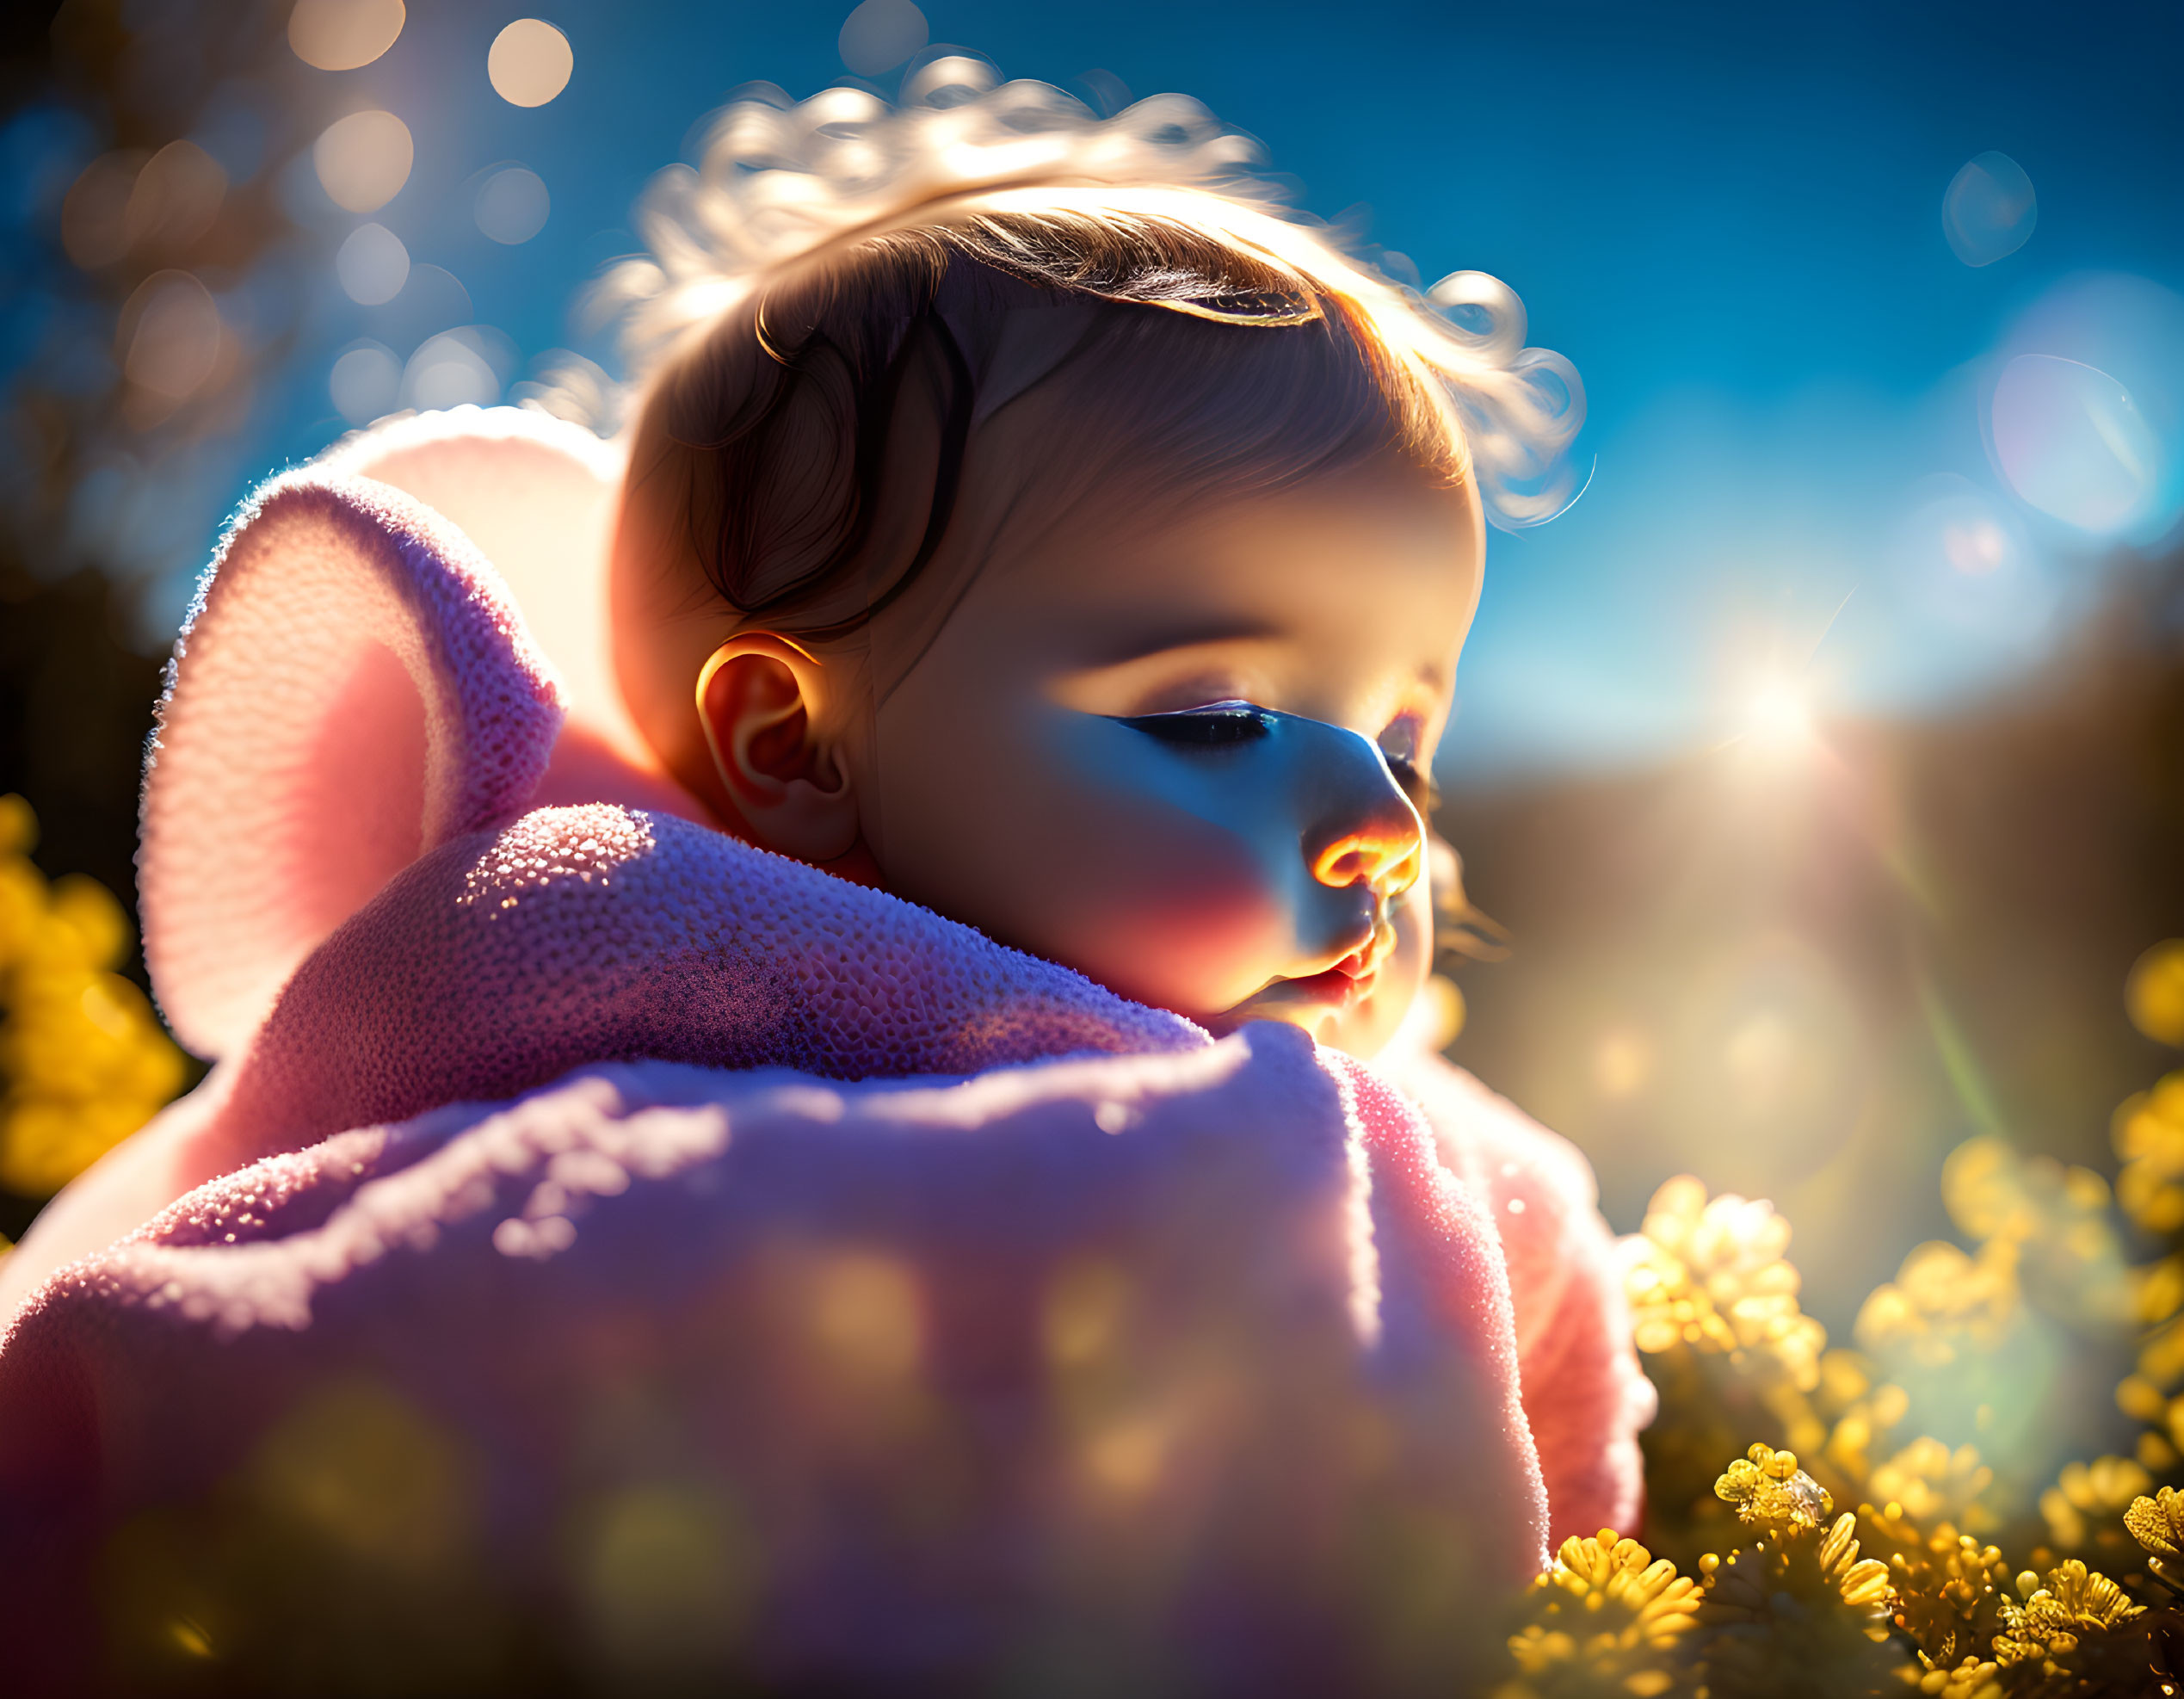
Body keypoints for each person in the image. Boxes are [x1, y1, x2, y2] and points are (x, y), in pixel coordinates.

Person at [0, 74, 1649, 1691]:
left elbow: (1552, 1388)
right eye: (1216, 716)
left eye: (1406, 740)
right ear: (792, 745)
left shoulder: (1400, 1119)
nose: (1377, 811)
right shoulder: (614, 981)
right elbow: (389, 1334)